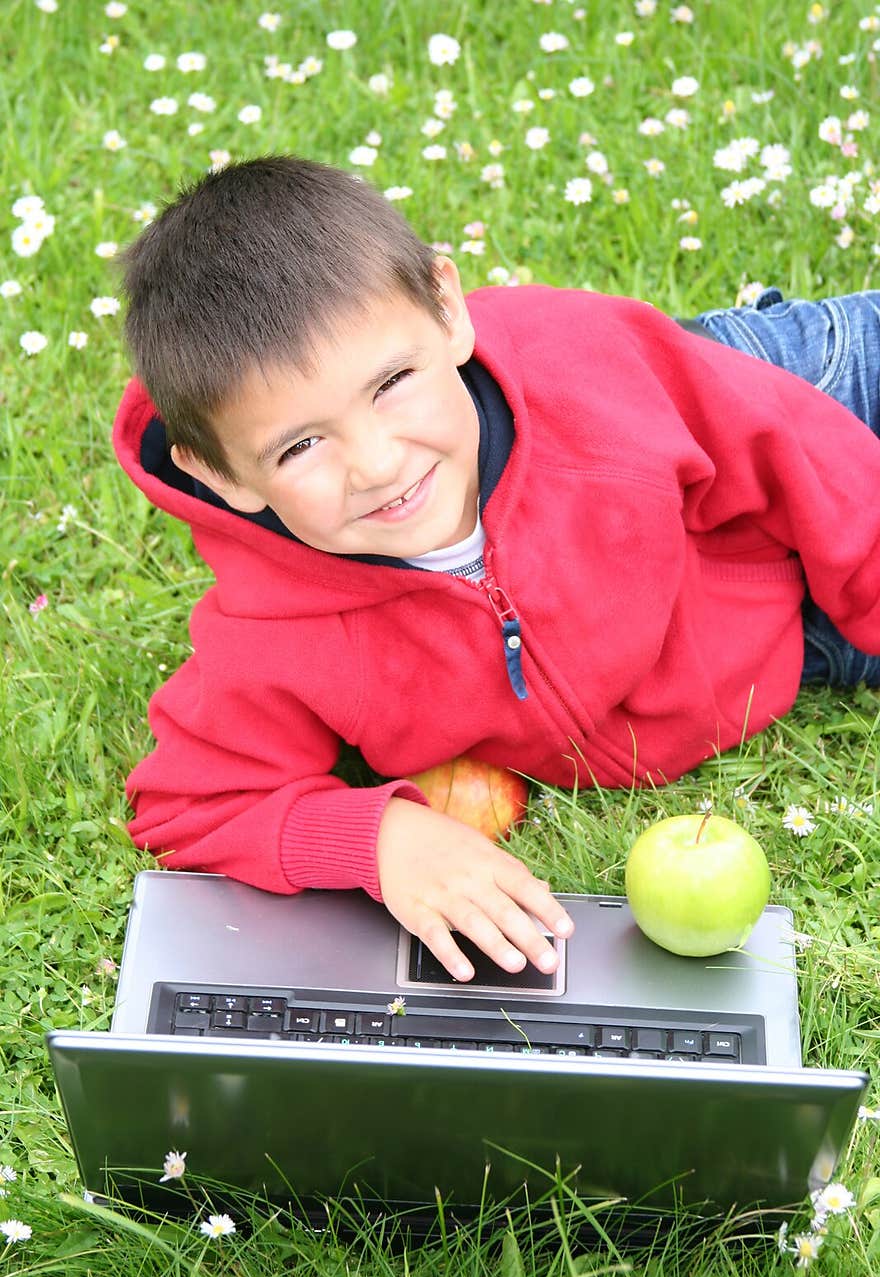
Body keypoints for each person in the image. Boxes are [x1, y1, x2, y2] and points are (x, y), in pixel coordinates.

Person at [113, 155, 880, 986]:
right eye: (300, 445)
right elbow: (188, 803)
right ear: (219, 474)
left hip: (754, 404)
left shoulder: (592, 375)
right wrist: (380, 840)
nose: (376, 463)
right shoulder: (276, 633)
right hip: (780, 635)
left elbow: (810, 462)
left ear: (447, 310)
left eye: (393, 383)